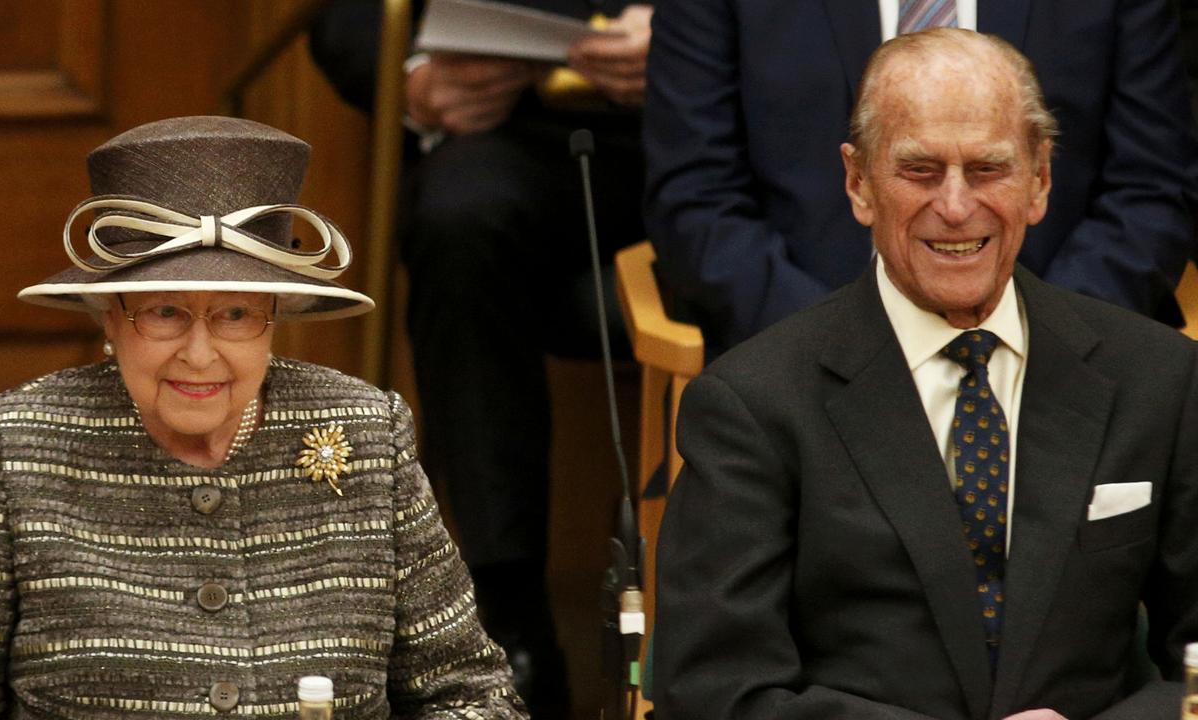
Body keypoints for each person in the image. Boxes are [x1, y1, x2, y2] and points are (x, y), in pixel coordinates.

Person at [653, 30, 1198, 720]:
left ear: (1040, 180)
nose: (955, 205)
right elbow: (713, 690)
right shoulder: (752, 404)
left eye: (988, 169)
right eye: (918, 170)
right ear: (858, 183)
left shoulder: (1159, 379)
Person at [0, 116, 526, 719]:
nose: (200, 354)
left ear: (275, 314)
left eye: (235, 314)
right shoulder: (18, 444)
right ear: (109, 316)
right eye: (163, 312)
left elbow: (470, 695)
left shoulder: (368, 430)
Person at [311, 3, 652, 715]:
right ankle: (508, 624)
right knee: (457, 221)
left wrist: (690, 39)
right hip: (505, 128)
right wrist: (410, 81)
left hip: (700, 128)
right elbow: (346, 14)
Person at [643, 0, 1198, 356]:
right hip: (798, 353)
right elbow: (695, 196)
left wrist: (1041, 342)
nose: (954, 207)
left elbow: (1151, 190)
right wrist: (836, 349)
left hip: (1056, 357)